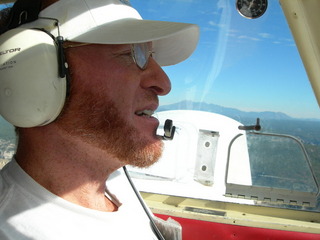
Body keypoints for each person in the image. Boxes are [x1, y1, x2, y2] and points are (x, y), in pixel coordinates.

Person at [0, 0, 199, 239]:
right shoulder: (11, 230)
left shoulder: (116, 182)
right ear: (31, 73)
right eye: (133, 54)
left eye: (150, 55)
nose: (164, 84)